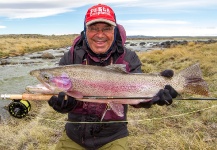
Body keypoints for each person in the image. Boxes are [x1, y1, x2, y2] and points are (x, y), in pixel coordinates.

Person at [48, 3, 178, 150]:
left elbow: (136, 96)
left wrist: (148, 99)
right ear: (85, 31)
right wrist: (64, 106)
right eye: (94, 28)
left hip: (114, 136)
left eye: (107, 28)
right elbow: (60, 92)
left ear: (114, 31)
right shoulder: (70, 58)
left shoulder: (129, 57)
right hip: (74, 136)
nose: (100, 34)